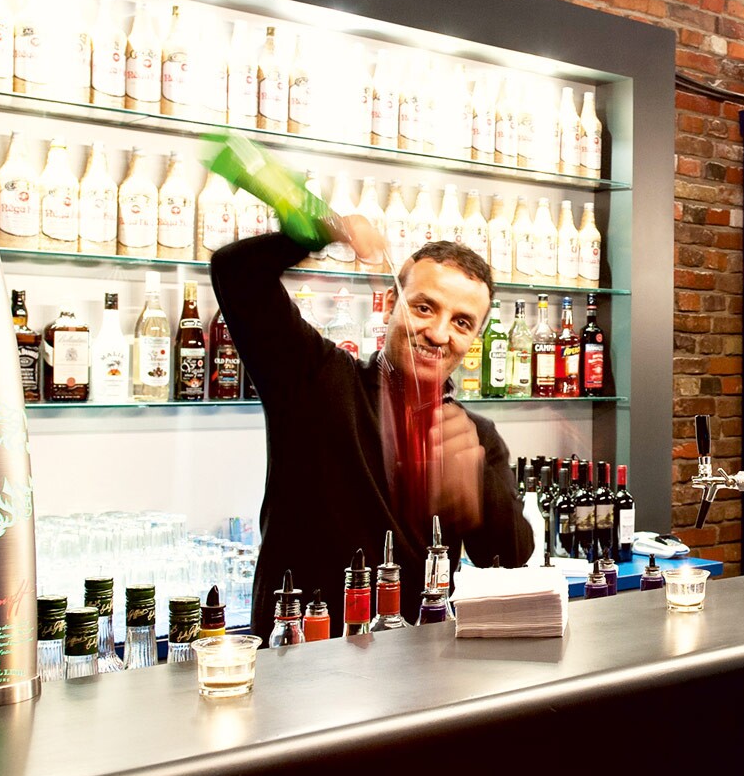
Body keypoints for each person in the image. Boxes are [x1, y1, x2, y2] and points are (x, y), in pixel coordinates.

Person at [211, 218, 532, 641]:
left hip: (419, 672)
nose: (438, 334)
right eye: (424, 308)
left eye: (461, 323)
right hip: (301, 664)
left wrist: (477, 489)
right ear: (387, 305)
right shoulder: (316, 380)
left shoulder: (476, 436)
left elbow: (508, 559)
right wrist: (325, 229)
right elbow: (238, 272)